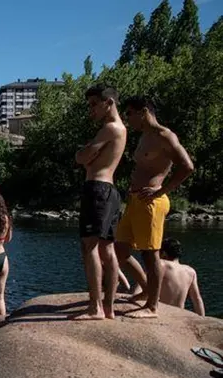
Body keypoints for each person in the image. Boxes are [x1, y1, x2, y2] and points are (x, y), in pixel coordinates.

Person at [115, 96, 195, 318]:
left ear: (144, 112)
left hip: (151, 203)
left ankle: (152, 306)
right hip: (135, 201)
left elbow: (187, 166)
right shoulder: (144, 136)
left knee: (150, 254)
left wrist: (160, 191)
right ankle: (146, 290)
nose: (127, 118)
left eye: (130, 113)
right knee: (120, 249)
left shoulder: (165, 136)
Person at [73, 85, 127, 320]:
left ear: (109, 103)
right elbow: (89, 157)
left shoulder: (109, 129)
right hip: (111, 192)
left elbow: (82, 157)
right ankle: (108, 307)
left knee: (90, 247)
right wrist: (87, 154)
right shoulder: (121, 129)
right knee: (107, 248)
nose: (91, 110)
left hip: (97, 189)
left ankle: (95, 307)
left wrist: (83, 153)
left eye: (94, 104)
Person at [158, 238, 205, 316]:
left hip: (162, 314)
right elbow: (197, 299)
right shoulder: (190, 271)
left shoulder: (161, 265)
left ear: (163, 253)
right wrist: (202, 318)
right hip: (179, 315)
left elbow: (140, 289)